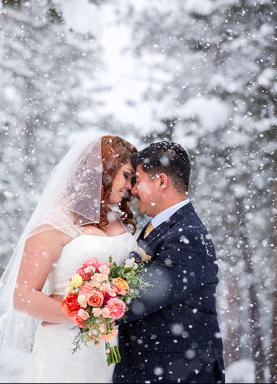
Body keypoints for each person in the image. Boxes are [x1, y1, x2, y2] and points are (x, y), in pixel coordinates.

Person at [0, 134, 148, 382]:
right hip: (67, 349)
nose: (130, 186)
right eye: (126, 175)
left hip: (114, 348)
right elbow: (23, 296)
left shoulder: (116, 217)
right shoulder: (55, 223)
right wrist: (84, 313)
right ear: (104, 170)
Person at [112, 141, 225, 383]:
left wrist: (87, 305)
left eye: (138, 181)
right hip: (154, 368)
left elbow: (139, 298)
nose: (132, 190)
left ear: (161, 181)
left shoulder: (187, 236)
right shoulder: (163, 227)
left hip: (176, 372)